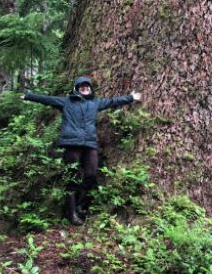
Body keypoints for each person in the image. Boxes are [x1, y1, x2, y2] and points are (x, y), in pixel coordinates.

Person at [23, 76, 141, 224]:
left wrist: (130, 97)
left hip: (89, 144)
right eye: (81, 87)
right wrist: (28, 96)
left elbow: (112, 102)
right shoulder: (67, 102)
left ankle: (81, 205)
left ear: (90, 89)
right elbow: (46, 99)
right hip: (71, 144)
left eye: (87, 87)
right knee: (71, 178)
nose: (84, 88)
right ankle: (71, 214)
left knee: (91, 175)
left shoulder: (95, 103)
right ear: (76, 89)